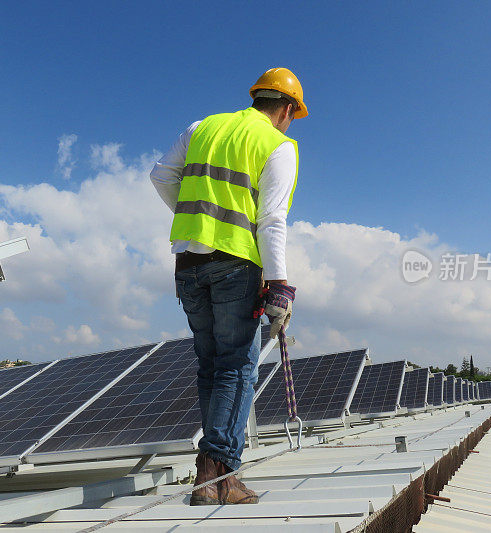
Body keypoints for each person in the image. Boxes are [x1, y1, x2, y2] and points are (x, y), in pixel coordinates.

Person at [150, 67, 306, 505]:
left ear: (257, 97)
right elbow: (273, 218)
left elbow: (161, 176)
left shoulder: (203, 127)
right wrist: (279, 284)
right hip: (236, 265)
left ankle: (212, 476)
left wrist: (196, 221)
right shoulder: (279, 146)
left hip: (187, 263)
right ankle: (218, 475)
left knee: (210, 366)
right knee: (237, 366)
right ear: (287, 109)